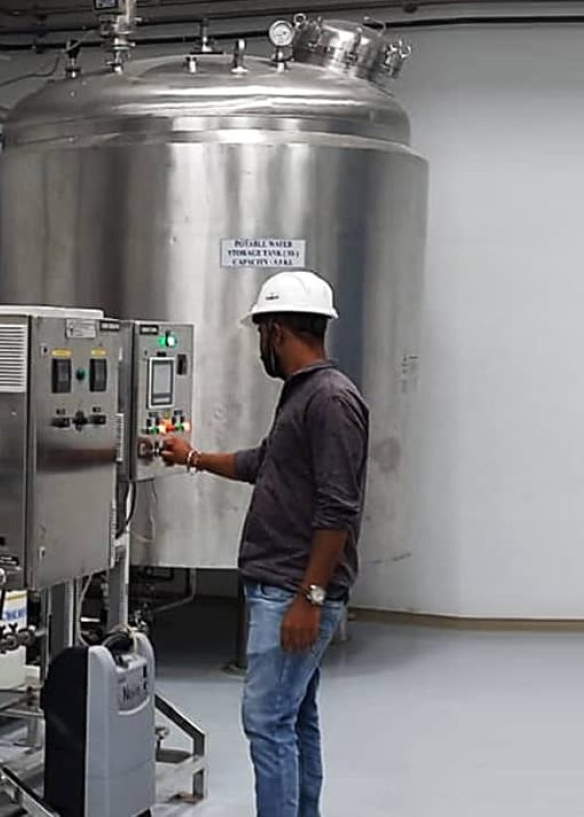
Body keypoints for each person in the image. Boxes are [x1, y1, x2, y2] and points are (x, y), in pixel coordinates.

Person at [160, 269, 369, 817]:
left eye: (260, 335)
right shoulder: (305, 395)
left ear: (275, 331)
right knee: (294, 717)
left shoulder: (329, 400)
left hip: (292, 589)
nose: (260, 348)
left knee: (268, 721)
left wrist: (310, 597)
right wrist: (192, 457)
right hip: (283, 586)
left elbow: (337, 508)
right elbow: (265, 463)